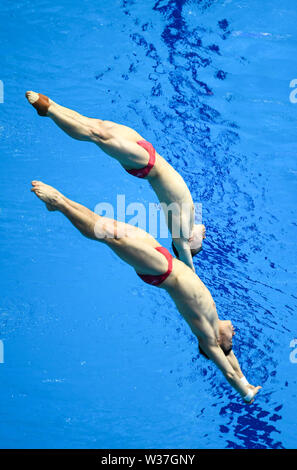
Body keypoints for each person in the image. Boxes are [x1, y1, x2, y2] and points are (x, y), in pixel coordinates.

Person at [30, 180, 261, 404]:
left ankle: (59, 202)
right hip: (161, 255)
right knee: (104, 226)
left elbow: (228, 370)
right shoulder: (214, 319)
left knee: (108, 237)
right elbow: (233, 361)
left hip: (161, 270)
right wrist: (247, 381)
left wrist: (245, 392)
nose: (235, 333)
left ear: (220, 342)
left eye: (232, 341)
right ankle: (60, 204)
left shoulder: (208, 336)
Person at [25, 91, 205, 271]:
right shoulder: (191, 215)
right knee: (97, 125)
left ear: (190, 242)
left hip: (146, 164)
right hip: (147, 149)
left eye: (200, 243)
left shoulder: (181, 232)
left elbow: (185, 262)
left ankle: (49, 111)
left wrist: (189, 265)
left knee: (97, 135)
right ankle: (53, 105)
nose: (204, 237)